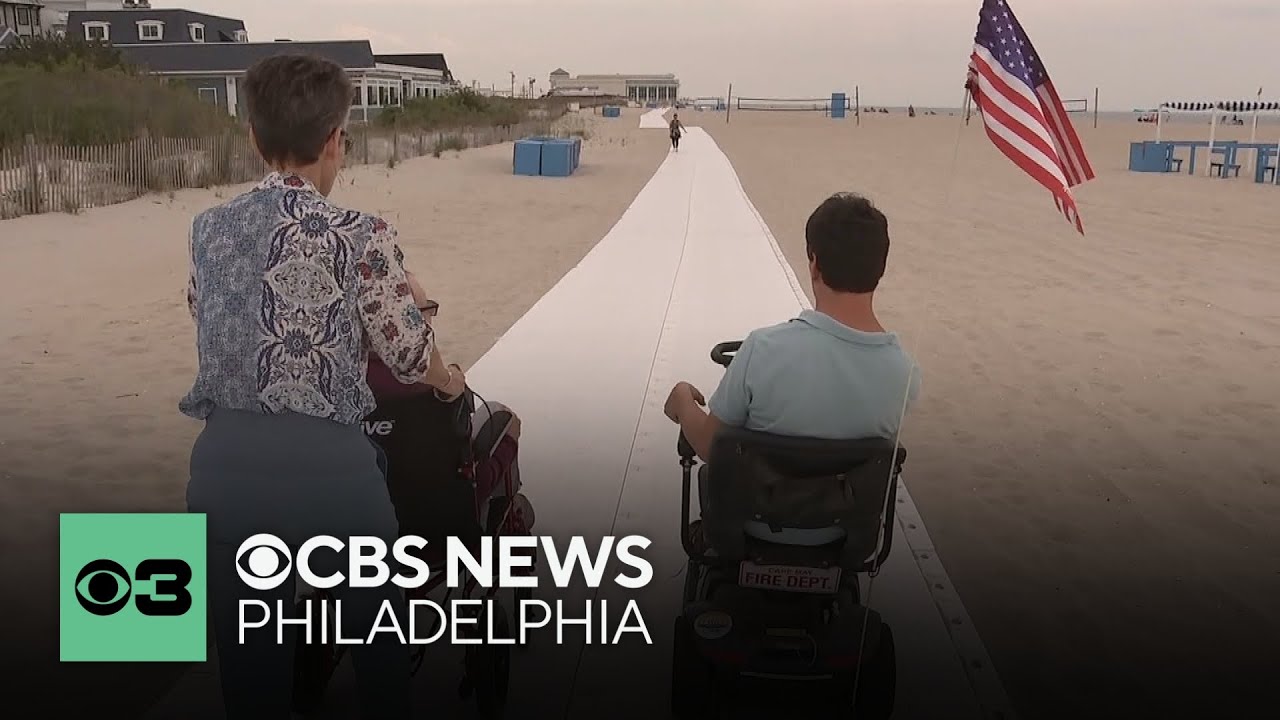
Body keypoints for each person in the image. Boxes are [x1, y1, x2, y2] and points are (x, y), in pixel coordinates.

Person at [182, 54, 465, 719]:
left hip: (222, 472)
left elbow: (206, 311)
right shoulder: (361, 235)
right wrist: (448, 379)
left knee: (250, 681)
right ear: (337, 138)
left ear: (253, 136)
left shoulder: (207, 230)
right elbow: (407, 354)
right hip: (331, 478)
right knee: (382, 663)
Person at [662, 192, 920, 547]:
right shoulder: (904, 373)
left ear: (814, 264)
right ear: (880, 268)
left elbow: (709, 445)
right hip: (841, 536)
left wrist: (681, 399)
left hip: (751, 526)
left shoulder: (764, 349)